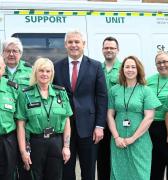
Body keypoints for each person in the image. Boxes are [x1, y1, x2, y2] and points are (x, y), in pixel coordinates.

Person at [53, 30, 108, 180]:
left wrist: (99, 126)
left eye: (77, 42)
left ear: (84, 44)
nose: (74, 45)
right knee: (67, 170)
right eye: (70, 42)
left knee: (89, 170)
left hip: (89, 128)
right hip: (64, 128)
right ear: (65, 45)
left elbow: (102, 97)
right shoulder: (56, 67)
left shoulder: (95, 66)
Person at [15, 57, 72, 180]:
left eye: (48, 71)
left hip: (56, 142)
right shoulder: (25, 94)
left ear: (52, 73)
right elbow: (21, 125)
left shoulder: (60, 93)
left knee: (55, 176)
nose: (44, 74)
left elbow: (66, 120)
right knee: (35, 176)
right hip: (35, 143)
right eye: (41, 70)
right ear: (35, 72)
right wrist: (23, 151)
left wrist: (66, 147)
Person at [107, 55, 161, 180]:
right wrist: (116, 137)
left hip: (140, 140)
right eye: (127, 67)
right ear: (122, 69)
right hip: (118, 140)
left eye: (133, 67)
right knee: (118, 173)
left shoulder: (146, 90)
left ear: (138, 70)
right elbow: (109, 115)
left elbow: (149, 117)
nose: (130, 70)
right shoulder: (114, 90)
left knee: (140, 174)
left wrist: (133, 138)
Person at [2, 37, 32, 180]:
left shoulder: (30, 71)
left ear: (20, 53)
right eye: (8, 51)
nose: (11, 54)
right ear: (3, 53)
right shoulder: (0, 70)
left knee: (26, 163)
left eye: (15, 51)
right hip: (6, 126)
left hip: (25, 124)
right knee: (7, 166)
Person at [147, 51, 168, 180]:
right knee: (154, 165)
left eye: (165, 61)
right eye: (159, 63)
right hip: (151, 127)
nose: (162, 65)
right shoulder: (149, 80)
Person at [97, 36, 121, 180]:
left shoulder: (124, 68)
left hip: (118, 119)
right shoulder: (96, 68)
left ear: (117, 50)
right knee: (102, 157)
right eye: (106, 48)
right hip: (100, 119)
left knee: (118, 156)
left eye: (112, 48)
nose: (109, 50)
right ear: (102, 50)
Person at [0, 55, 19, 180]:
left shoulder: (12, 87)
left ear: (3, 68)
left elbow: (20, 118)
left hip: (7, 140)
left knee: (8, 174)